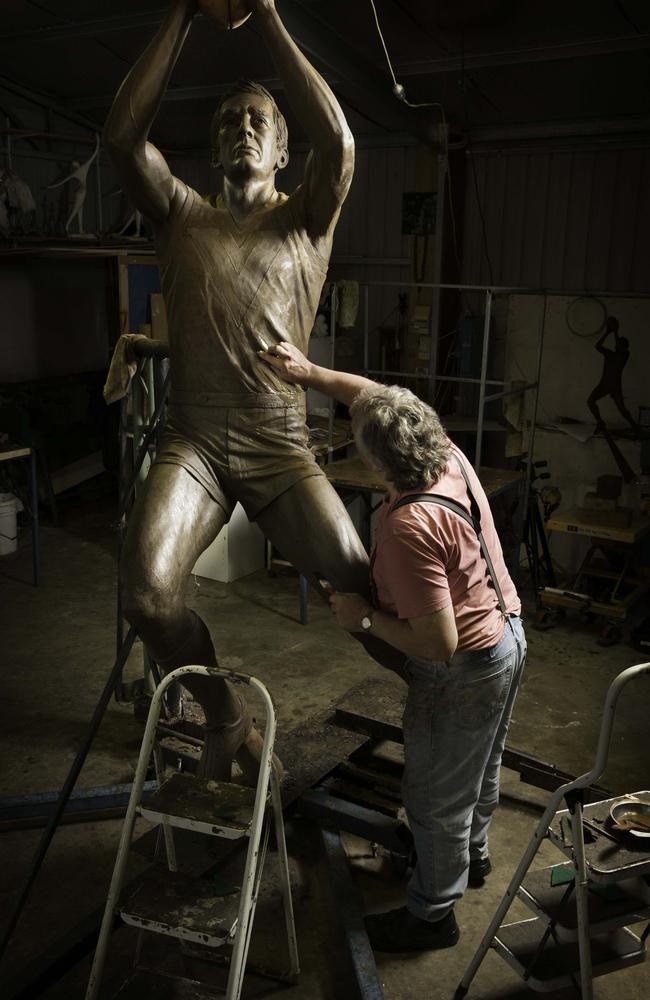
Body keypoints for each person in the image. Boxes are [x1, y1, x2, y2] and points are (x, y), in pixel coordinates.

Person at [103, 0, 397, 783]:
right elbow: (122, 140)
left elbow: (338, 139)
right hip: (193, 442)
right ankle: (224, 715)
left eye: (258, 118)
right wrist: (181, 14)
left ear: (279, 147)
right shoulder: (180, 214)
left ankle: (434, 695)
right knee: (147, 597)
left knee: (359, 575)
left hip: (279, 442)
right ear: (213, 145)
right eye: (229, 117)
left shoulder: (306, 217)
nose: (242, 126)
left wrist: (265, 12)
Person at [260, 341, 527, 953]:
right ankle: (472, 859)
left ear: (375, 463)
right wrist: (310, 374)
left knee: (433, 797)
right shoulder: (446, 453)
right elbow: (374, 398)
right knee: (479, 767)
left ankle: (433, 914)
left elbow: (436, 644)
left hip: (464, 667)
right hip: (509, 636)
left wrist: (362, 619)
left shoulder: (410, 527)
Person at [587, 316, 639, 435]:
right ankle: (600, 422)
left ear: (624, 347)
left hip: (615, 387)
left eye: (621, 344)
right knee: (590, 401)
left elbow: (620, 348)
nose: (618, 345)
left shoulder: (624, 355)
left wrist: (615, 332)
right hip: (604, 384)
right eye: (618, 344)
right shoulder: (609, 354)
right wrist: (607, 332)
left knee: (622, 409)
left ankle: (635, 427)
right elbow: (598, 346)